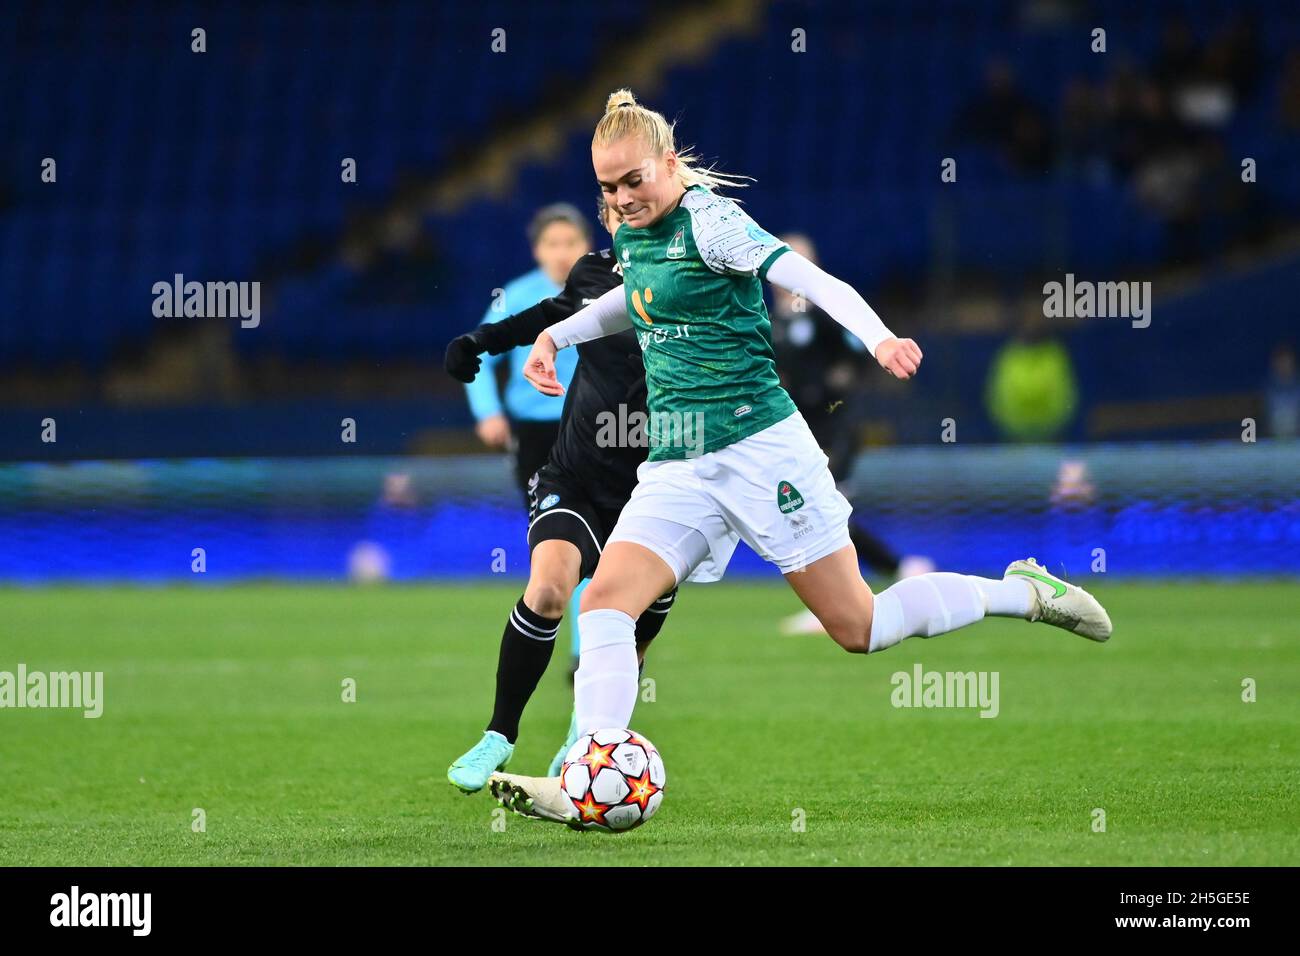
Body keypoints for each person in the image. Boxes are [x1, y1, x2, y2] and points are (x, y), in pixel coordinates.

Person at [491, 90, 1111, 827]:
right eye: (609, 187)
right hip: (678, 461)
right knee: (604, 604)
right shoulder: (633, 231)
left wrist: (879, 338)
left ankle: (1023, 592)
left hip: (762, 451)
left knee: (859, 626)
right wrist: (557, 336)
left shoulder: (713, 222)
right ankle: (584, 775)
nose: (622, 199)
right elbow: (638, 299)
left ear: (669, 162)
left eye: (634, 181)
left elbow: (812, 282)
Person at [442, 197, 677, 792]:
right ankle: (499, 735)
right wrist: (479, 341)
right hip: (574, 473)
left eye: (642, 208)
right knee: (548, 587)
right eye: (618, 211)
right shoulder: (592, 275)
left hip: (659, 487)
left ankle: (586, 729)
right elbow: (546, 315)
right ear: (609, 221)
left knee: (631, 629)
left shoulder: (693, 280)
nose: (631, 219)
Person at [769, 232, 933, 636]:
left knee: (824, 510)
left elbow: (857, 350)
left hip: (833, 428)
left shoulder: (820, 315)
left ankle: (857, 590)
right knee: (817, 512)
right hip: (798, 433)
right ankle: (895, 572)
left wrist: (839, 380)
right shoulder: (771, 320)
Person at [463, 203, 591, 501]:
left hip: (596, 424)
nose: (562, 253)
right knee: (544, 515)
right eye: (552, 244)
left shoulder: (610, 292)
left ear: (587, 245)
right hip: (534, 431)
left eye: (570, 243)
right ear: (537, 250)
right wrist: (488, 412)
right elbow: (477, 354)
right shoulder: (517, 295)